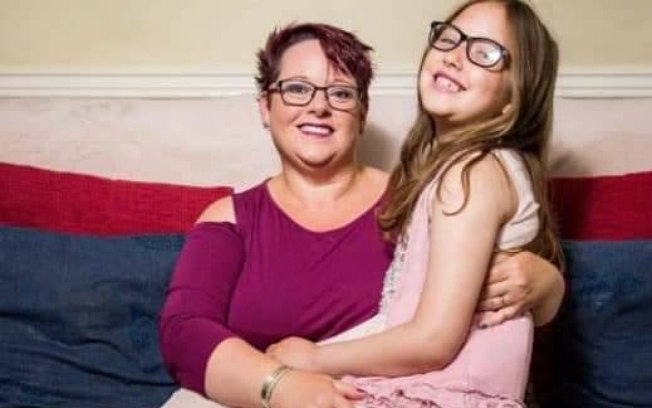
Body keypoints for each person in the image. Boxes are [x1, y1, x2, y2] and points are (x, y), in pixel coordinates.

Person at [159, 18, 564, 408]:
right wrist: (279, 386)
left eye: (340, 93)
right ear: (266, 107)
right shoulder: (231, 218)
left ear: (363, 113)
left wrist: (548, 289)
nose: (318, 106)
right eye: (297, 89)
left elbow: (490, 336)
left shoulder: (417, 200)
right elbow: (184, 333)